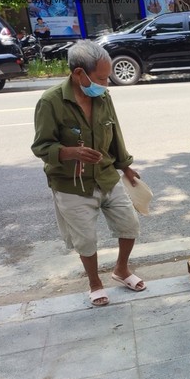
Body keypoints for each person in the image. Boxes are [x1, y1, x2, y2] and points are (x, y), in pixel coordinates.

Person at [31, 41, 145, 307]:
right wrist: (71, 152)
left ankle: (121, 270)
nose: (106, 83)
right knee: (86, 239)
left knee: (129, 225)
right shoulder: (50, 102)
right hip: (71, 184)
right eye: (102, 78)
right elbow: (40, 146)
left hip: (105, 175)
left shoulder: (103, 97)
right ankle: (94, 282)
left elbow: (114, 132)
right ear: (79, 73)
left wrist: (126, 166)